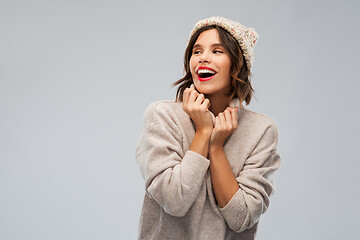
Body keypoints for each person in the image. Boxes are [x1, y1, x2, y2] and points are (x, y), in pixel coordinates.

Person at [135, 16, 281, 240]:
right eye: (197, 51)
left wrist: (216, 147)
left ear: (238, 63)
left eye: (217, 51)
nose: (203, 58)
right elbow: (174, 200)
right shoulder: (162, 116)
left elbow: (241, 218)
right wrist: (204, 132)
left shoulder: (261, 130)